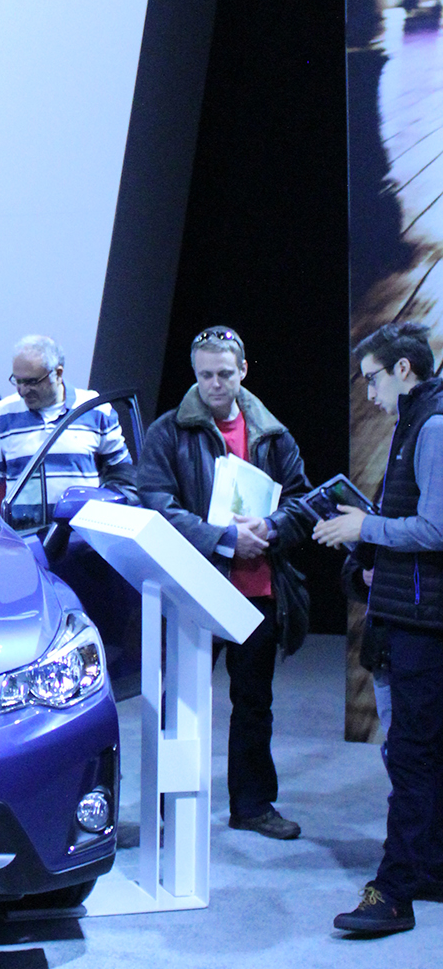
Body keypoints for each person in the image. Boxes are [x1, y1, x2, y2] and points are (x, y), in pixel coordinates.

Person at [138, 324, 311, 839]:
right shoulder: (168, 432)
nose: (214, 384)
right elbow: (156, 504)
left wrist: (272, 528)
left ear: (243, 371)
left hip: (258, 592)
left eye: (224, 374)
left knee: (255, 703)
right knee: (179, 703)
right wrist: (224, 539)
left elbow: (303, 502)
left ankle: (253, 806)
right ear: (195, 374)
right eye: (205, 375)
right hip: (196, 590)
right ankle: (168, 811)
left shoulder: (273, 434)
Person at [314, 321, 443, 937]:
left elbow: (437, 529)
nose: (367, 394)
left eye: (372, 379)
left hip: (423, 625)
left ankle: (392, 894)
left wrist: (364, 529)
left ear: (403, 370)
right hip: (410, 616)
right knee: (422, 755)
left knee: (412, 758)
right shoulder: (416, 423)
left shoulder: (432, 426)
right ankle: (428, 869)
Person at [0, 334, 135, 514]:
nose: (23, 390)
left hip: (82, 528)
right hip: (23, 529)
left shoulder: (95, 408)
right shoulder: (4, 413)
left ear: (58, 374)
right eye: (18, 381)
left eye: (31, 382)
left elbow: (122, 473)